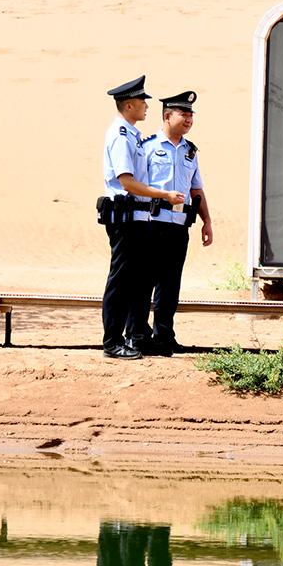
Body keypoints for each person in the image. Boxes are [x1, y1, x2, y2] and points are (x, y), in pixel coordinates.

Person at [97, 76, 188, 360]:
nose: (147, 106)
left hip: (137, 218)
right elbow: (127, 182)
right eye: (142, 101)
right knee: (120, 281)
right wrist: (164, 195)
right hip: (124, 217)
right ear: (129, 105)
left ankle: (132, 337)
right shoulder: (121, 135)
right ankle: (112, 341)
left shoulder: (133, 135)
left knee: (132, 281)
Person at [129, 91, 214, 355]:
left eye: (191, 115)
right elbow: (135, 185)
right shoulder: (147, 146)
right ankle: (137, 335)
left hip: (179, 225)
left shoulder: (190, 151)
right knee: (143, 282)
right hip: (151, 222)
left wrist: (207, 221)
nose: (189, 120)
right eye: (183, 114)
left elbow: (196, 190)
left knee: (170, 284)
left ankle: (164, 336)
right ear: (167, 115)